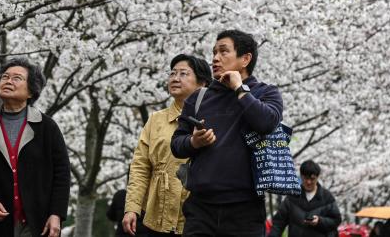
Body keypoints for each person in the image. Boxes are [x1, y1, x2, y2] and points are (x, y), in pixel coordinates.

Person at [171, 30, 283, 237]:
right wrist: (194, 142)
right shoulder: (198, 98)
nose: (215, 58)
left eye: (223, 51)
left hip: (245, 209)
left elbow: (267, 123)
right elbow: (176, 144)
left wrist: (240, 90)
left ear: (245, 58)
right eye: (214, 52)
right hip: (200, 208)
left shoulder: (266, 93)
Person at [0, 58, 70, 237]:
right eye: (5, 77)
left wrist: (56, 214)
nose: (8, 81)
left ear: (31, 91)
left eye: (17, 78)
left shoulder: (47, 127)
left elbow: (62, 173)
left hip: (38, 223)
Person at [123, 54, 212, 237]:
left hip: (200, 218)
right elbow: (140, 166)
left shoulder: (215, 117)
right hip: (157, 218)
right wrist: (132, 208)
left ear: (202, 83)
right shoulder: (156, 120)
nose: (175, 78)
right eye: (172, 73)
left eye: (183, 73)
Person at [268, 160, 342, 237]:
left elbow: (336, 220)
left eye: (312, 179)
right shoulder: (292, 196)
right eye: (305, 178)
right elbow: (278, 223)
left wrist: (320, 221)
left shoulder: (327, 197)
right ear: (301, 176)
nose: (309, 182)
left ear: (317, 177)